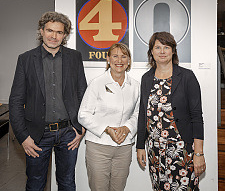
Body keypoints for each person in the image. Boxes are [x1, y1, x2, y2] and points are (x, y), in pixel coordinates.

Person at [9, 11, 87, 191]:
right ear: (42, 31)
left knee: (67, 182)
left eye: (59, 32)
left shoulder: (74, 57)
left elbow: (82, 93)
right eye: (50, 30)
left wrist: (81, 128)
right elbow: (16, 101)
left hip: (68, 132)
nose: (54, 36)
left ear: (65, 35)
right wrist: (23, 137)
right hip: (36, 135)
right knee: (35, 183)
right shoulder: (26, 59)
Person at [136, 32, 206, 191]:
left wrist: (199, 154)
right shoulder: (146, 79)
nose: (162, 51)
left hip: (182, 150)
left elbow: (196, 117)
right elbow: (143, 114)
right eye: (158, 47)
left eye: (166, 47)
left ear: (173, 51)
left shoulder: (187, 77)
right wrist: (140, 146)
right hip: (155, 150)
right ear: (151, 52)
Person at [78, 43, 140, 191]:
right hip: (98, 147)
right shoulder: (96, 83)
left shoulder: (136, 86)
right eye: (115, 56)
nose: (119, 60)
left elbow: (138, 114)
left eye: (124, 56)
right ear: (108, 59)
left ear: (129, 61)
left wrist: (127, 128)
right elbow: (83, 115)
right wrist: (106, 129)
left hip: (124, 147)